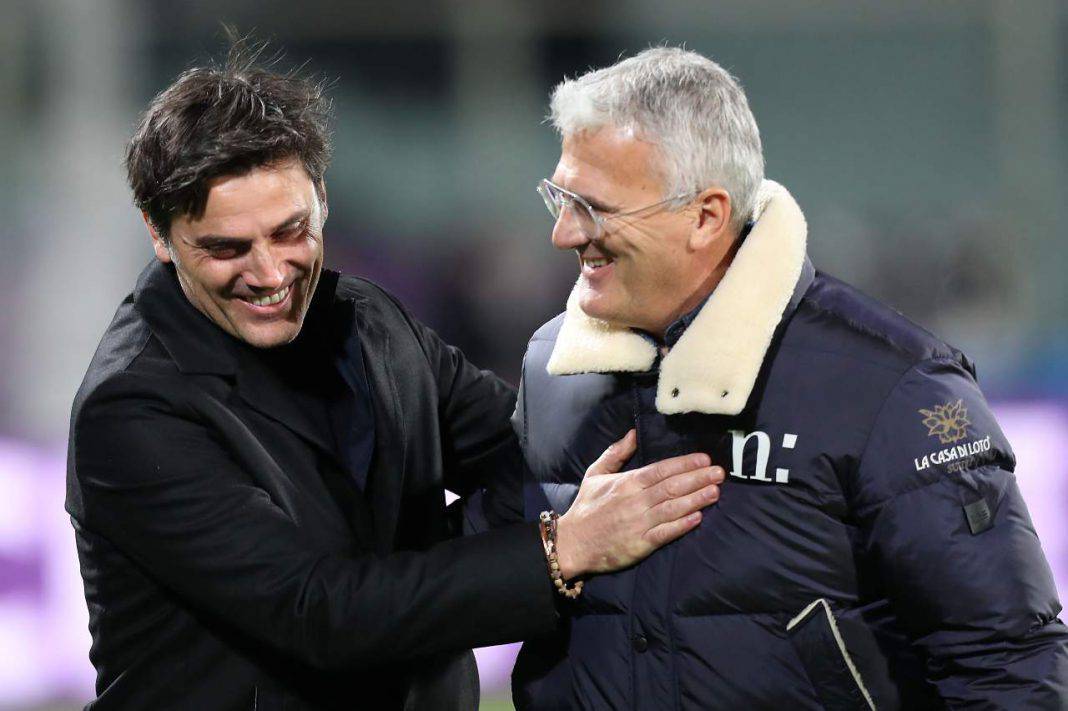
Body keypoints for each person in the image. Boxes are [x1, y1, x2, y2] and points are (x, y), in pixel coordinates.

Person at [64, 47, 728, 710]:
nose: (269, 273)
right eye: (226, 248)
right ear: (160, 234)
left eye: (291, 231)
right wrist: (561, 549)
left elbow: (534, 456)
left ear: (322, 199)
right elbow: (317, 613)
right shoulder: (131, 407)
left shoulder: (369, 321)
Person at [512, 46, 1068, 709]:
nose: (564, 232)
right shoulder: (551, 369)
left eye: (592, 206)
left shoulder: (893, 385)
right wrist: (558, 549)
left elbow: (1008, 665)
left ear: (706, 216)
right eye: (559, 197)